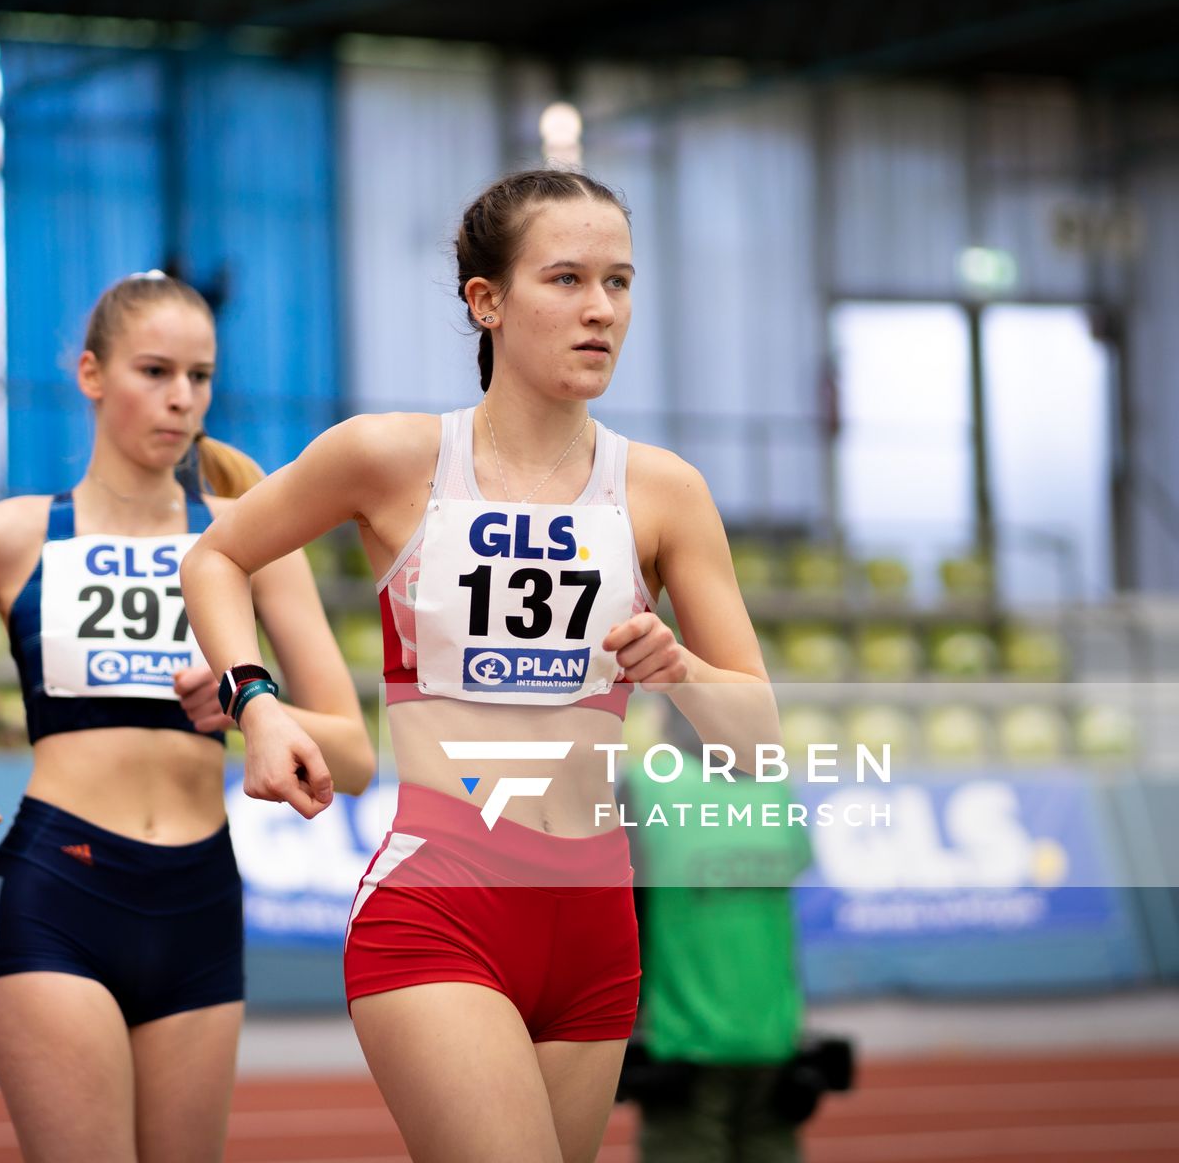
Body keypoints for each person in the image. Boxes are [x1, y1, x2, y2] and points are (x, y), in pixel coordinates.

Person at [182, 169, 779, 1163]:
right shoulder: (394, 456)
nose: (600, 309)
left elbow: (759, 742)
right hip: (442, 904)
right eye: (567, 279)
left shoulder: (667, 492)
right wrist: (258, 703)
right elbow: (217, 555)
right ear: (486, 300)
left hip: (595, 922)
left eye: (620, 282)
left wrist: (678, 668)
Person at [0, 271, 373, 1163]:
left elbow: (354, 752)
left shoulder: (251, 535)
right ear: (92, 374)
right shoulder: (8, 537)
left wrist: (246, 707)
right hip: (58, 886)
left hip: (199, 898)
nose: (182, 399)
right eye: (155, 371)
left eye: (201, 376)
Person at [625, 761, 814, 1163]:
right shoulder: (777, 790)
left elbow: (623, 911)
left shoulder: (646, 786)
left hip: (683, 1039)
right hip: (773, 1034)